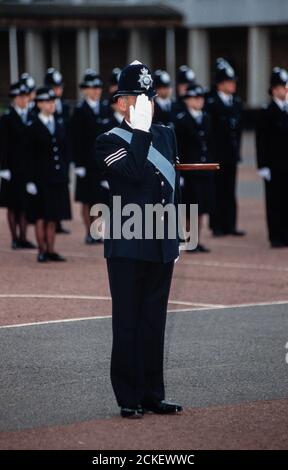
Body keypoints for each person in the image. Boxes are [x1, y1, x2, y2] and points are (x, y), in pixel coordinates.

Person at [95, 60, 182, 419]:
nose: (147, 102)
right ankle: (128, 396)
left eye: (150, 95)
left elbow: (172, 186)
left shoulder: (167, 133)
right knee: (128, 320)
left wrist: (174, 238)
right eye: (138, 97)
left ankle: (152, 393)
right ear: (121, 102)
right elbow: (130, 173)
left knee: (154, 320)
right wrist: (142, 132)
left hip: (160, 240)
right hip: (128, 242)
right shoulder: (107, 140)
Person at [26, 87, 71, 262]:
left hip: (57, 178)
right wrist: (29, 180)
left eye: (53, 101)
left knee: (53, 215)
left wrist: (66, 171)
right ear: (39, 104)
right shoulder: (32, 126)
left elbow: (65, 150)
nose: (51, 105)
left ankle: (51, 249)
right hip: (40, 179)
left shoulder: (59, 123)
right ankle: (41, 250)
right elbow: (27, 155)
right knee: (41, 216)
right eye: (47, 102)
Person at [206, 59, 245, 237]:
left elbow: (238, 131)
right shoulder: (211, 103)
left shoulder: (236, 103)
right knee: (217, 190)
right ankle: (217, 225)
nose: (233, 85)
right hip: (217, 155)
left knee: (230, 190)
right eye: (229, 82)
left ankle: (230, 224)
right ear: (220, 84)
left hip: (231, 154)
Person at [71, 69, 109, 244]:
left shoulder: (105, 108)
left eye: (98, 87)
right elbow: (75, 139)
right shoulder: (79, 110)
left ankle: (97, 230)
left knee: (100, 198)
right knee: (87, 199)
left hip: (101, 162)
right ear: (84, 90)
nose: (95, 90)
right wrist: (78, 163)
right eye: (91, 87)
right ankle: (89, 230)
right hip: (85, 162)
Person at [174, 83, 214, 253]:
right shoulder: (181, 120)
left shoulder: (206, 118)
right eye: (195, 98)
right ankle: (188, 239)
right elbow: (179, 148)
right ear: (187, 100)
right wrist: (179, 172)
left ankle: (196, 240)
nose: (199, 101)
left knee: (202, 206)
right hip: (189, 171)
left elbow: (210, 144)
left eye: (201, 98)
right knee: (190, 207)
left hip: (203, 169)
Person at [0, 81, 36, 249]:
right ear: (14, 99)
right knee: (12, 204)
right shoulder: (6, 118)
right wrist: (3, 168)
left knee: (24, 204)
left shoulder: (31, 116)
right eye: (20, 97)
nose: (24, 100)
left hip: (27, 168)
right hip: (12, 168)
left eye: (25, 97)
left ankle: (23, 237)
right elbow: (3, 145)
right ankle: (15, 238)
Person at [256, 67, 288, 248]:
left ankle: (286, 233)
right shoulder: (267, 111)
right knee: (274, 202)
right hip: (274, 165)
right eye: (283, 87)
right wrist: (263, 165)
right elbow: (261, 140)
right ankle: (276, 236)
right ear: (275, 89)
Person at [44, 67, 71, 235]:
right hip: (49, 154)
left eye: (59, 86)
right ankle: (51, 221)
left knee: (62, 187)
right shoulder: (42, 105)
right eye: (54, 86)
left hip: (63, 153)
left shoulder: (65, 105)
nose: (58, 89)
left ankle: (59, 220)